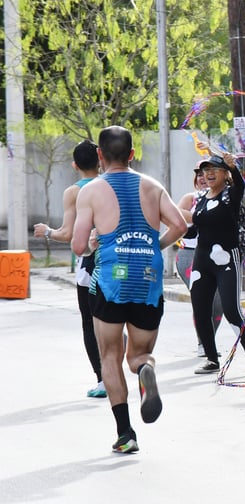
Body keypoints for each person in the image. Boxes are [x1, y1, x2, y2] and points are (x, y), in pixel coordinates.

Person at [72, 125, 188, 453]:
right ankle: (145, 369)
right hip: (148, 279)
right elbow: (180, 225)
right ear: (133, 154)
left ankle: (126, 434)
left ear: (99, 155)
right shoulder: (152, 186)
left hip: (109, 282)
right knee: (138, 354)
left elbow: (80, 246)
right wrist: (154, 245)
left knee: (110, 355)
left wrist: (96, 241)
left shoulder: (91, 190)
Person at [33, 139, 105, 398]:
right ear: (100, 159)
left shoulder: (74, 192)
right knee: (112, 318)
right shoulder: (111, 183)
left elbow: (69, 234)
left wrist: (48, 232)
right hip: (118, 260)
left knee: (90, 323)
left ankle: (102, 379)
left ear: (74, 164)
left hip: (91, 264)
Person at [191, 152, 245, 376]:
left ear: (225, 174)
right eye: (205, 170)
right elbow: (194, 227)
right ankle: (212, 359)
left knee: (232, 310)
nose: (209, 173)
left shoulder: (231, 195)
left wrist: (234, 168)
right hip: (201, 260)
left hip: (226, 260)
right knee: (200, 310)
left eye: (214, 169)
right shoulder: (201, 198)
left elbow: (240, 185)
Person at [176, 163, 224, 359]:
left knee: (219, 302)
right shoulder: (190, 198)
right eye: (199, 174)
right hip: (189, 255)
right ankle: (203, 343)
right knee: (202, 300)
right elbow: (175, 215)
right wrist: (200, 218)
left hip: (216, 255)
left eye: (208, 173)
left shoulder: (223, 197)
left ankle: (209, 338)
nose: (203, 177)